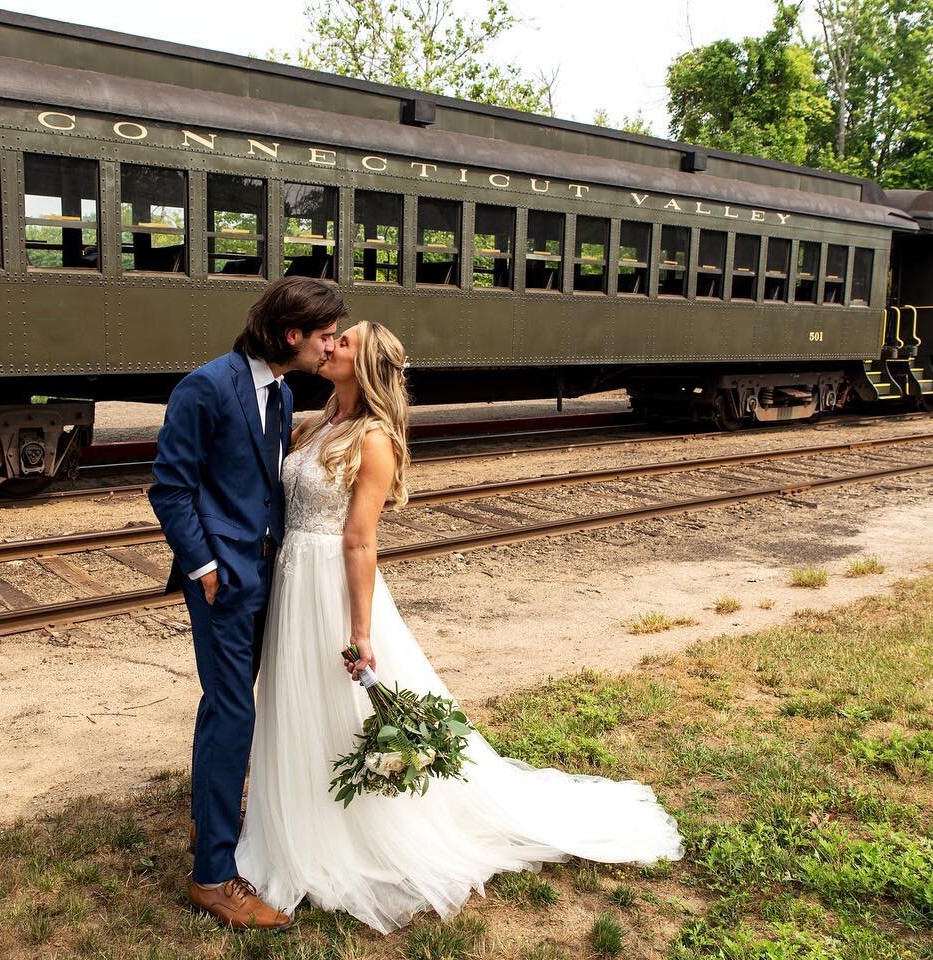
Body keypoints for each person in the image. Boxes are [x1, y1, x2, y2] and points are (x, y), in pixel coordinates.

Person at [235, 321, 685, 933]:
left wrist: (362, 631)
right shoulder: (319, 423)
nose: (330, 343)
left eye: (345, 341)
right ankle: (298, 814)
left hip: (332, 588)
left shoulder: (373, 441)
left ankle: (347, 834)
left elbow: (361, 540)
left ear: (364, 364)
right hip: (294, 576)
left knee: (339, 701)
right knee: (300, 700)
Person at [148, 276, 345, 929]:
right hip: (224, 583)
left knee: (234, 713)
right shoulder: (207, 387)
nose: (331, 347)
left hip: (272, 578)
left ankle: (220, 826)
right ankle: (212, 877)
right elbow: (170, 489)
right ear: (291, 335)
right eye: (325, 336)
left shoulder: (283, 394)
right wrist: (203, 565)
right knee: (232, 714)